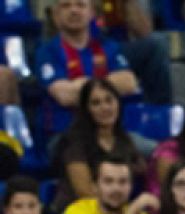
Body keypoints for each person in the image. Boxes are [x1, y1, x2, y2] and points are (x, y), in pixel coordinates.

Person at [35, 0, 140, 136]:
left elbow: (128, 83)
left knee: (156, 152)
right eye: (66, 6)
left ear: (92, 13)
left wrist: (80, 85)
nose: (74, 10)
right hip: (66, 134)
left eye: (80, 5)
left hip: (113, 133)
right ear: (56, 15)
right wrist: (107, 85)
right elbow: (64, 96)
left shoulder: (109, 46)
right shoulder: (47, 52)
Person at [50, 79, 151, 214]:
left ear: (118, 104)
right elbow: (84, 192)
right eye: (96, 103)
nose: (105, 107)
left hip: (115, 211)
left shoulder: (124, 140)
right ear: (86, 109)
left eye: (109, 100)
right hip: (78, 212)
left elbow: (141, 171)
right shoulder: (74, 142)